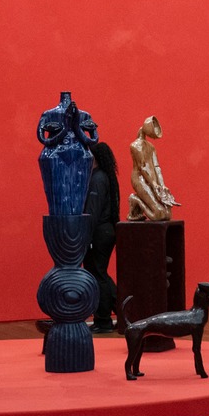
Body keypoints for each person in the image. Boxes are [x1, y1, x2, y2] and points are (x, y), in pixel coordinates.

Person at [81, 119, 121, 333]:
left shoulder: (97, 179)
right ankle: (123, 310)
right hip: (106, 232)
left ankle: (103, 320)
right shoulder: (105, 177)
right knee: (100, 273)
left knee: (97, 274)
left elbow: (93, 212)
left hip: (98, 234)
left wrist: (84, 235)